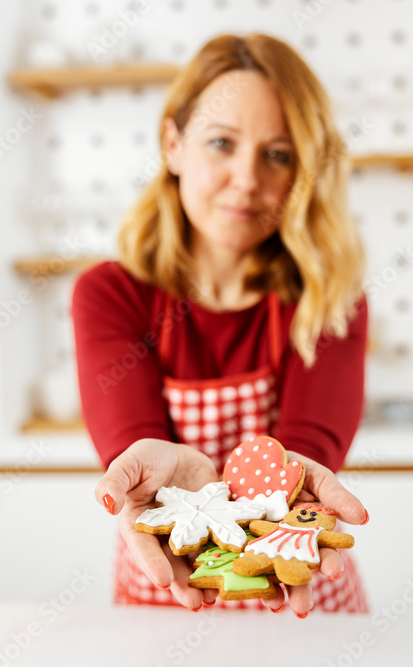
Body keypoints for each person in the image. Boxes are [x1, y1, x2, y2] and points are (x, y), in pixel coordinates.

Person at [72, 33, 370, 617]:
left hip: (299, 576)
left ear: (303, 171)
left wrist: (285, 485)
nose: (246, 178)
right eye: (221, 143)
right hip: (166, 578)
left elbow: (307, 446)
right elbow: (131, 446)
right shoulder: (110, 295)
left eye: (277, 154)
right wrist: (150, 478)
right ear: (173, 144)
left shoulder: (330, 299)